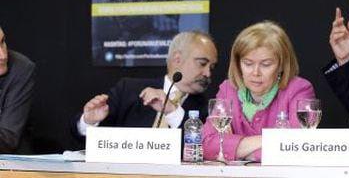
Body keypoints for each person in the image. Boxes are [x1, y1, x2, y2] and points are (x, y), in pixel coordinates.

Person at [202, 21, 315, 162]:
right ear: (238, 64)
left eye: (266, 64)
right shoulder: (227, 90)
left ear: (281, 65)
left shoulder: (299, 90)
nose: (255, 72)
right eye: (248, 63)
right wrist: (270, 141)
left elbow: (297, 147)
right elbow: (206, 145)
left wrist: (238, 150)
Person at [72, 30, 217, 140]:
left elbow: (204, 146)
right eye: (202, 63)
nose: (207, 73)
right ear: (177, 59)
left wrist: (173, 111)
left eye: (211, 67)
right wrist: (89, 122)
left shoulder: (209, 109)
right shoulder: (128, 89)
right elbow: (79, 134)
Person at [0, 26, 35, 153]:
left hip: (9, 163)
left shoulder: (20, 68)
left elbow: (9, 139)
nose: (3, 55)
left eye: (2, 42)